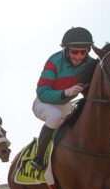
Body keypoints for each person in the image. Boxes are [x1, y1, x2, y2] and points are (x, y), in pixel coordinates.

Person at [31, 27, 98, 171]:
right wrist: (65, 93)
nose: (79, 56)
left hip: (65, 105)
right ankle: (38, 158)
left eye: (83, 52)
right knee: (55, 116)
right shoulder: (54, 61)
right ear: (66, 50)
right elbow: (42, 92)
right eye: (74, 52)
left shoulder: (91, 64)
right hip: (43, 102)